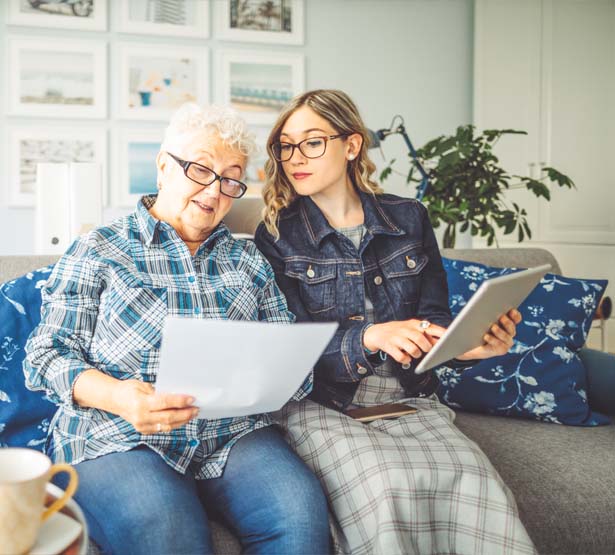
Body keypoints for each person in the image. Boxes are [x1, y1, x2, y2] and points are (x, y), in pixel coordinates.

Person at [24, 103, 330, 555]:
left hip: (231, 434)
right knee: (168, 532)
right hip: (117, 433)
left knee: (299, 513)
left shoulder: (248, 260)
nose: (216, 191)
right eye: (201, 169)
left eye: (231, 178)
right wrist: (120, 396)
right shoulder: (100, 248)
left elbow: (286, 353)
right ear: (164, 166)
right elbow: (46, 355)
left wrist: (278, 376)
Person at [254, 89, 537, 555]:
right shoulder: (277, 234)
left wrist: (467, 347)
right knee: (385, 484)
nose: (294, 157)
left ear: (352, 145)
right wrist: (368, 336)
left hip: (408, 401)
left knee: (472, 479)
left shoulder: (409, 218)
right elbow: (289, 345)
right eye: (286, 145)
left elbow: (433, 319)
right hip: (324, 406)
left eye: (311, 142)